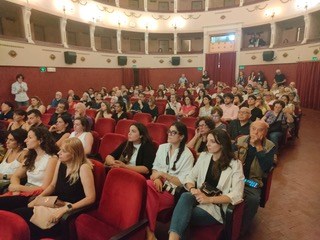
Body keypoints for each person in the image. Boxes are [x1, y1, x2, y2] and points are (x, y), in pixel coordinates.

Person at [168, 129, 244, 240]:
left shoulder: (235, 164)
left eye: (212, 141)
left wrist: (209, 200)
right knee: (185, 196)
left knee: (184, 216)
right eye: (207, 140)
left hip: (216, 206)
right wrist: (193, 188)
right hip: (198, 198)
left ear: (222, 144)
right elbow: (190, 177)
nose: (207, 144)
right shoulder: (204, 156)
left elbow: (237, 194)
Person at [14, 138, 95, 239]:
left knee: (23, 220)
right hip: (55, 203)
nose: (59, 153)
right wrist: (38, 198)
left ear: (73, 154)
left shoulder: (83, 168)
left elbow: (91, 198)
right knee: (18, 214)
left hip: (69, 209)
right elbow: (52, 185)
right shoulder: (61, 162)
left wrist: (66, 209)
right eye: (60, 149)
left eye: (64, 151)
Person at [146, 122, 194, 240]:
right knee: (146, 186)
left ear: (181, 137)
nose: (169, 134)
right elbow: (154, 168)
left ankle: (148, 232)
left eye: (173, 133)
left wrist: (162, 175)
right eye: (169, 131)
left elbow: (182, 182)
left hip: (171, 192)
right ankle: (150, 234)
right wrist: (157, 177)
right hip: (155, 185)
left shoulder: (188, 155)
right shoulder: (162, 147)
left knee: (143, 196)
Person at [0, 127, 58, 210]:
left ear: (40, 140)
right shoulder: (31, 155)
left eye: (30, 138)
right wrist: (16, 189)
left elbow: (45, 188)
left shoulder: (52, 159)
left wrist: (19, 188)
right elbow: (16, 176)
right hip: (23, 192)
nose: (25, 140)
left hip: (35, 195)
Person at [236, 120, 275, 234]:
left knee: (253, 199)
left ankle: (242, 229)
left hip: (251, 181)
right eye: (253, 129)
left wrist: (258, 146)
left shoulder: (269, 146)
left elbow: (266, 167)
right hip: (236, 177)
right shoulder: (240, 140)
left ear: (265, 132)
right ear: (249, 129)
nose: (256, 132)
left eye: (260, 130)